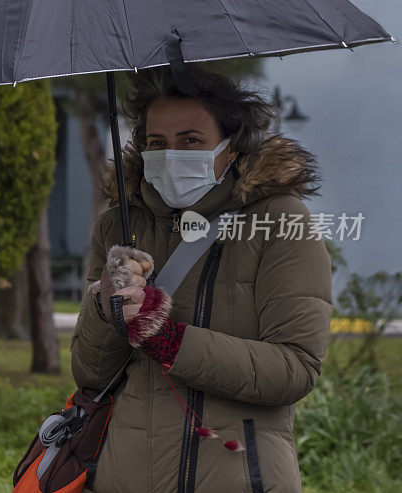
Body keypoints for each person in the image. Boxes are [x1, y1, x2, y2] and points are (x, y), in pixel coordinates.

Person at [72, 64, 332, 493]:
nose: (170, 155)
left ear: (231, 147)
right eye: (157, 142)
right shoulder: (118, 227)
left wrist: (169, 340)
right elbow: (90, 375)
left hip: (235, 476)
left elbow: (294, 368)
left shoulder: (280, 219)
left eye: (190, 141)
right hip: (123, 475)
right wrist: (107, 306)